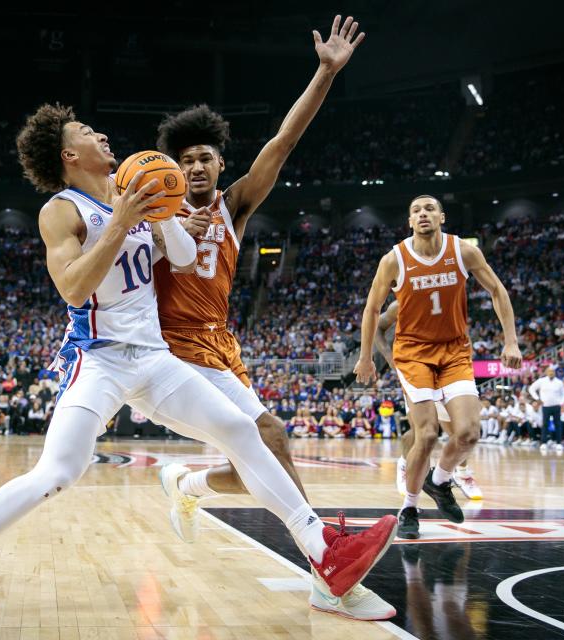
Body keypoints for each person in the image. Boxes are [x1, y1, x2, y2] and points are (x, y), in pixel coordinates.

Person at [0, 103, 397, 627]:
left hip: (154, 358)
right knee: (59, 471)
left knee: (245, 431)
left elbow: (188, 259)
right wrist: (123, 222)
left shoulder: (139, 195)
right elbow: (75, 287)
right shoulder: (61, 209)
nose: (101, 134)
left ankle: (324, 550)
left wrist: (163, 212)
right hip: (98, 360)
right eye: (86, 132)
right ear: (69, 154)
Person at [152, 16, 392, 620]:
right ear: (174, 169)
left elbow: (283, 141)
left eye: (206, 157)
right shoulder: (154, 213)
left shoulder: (235, 204)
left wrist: (324, 73)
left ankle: (190, 486)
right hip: (170, 352)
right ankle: (328, 575)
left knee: (257, 463)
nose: (198, 167)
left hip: (220, 347)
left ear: (219, 162)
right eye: (187, 160)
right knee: (274, 438)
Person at [355, 194, 521, 539]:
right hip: (413, 353)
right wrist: (366, 356)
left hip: (455, 351)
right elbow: (372, 310)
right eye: (415, 210)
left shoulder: (463, 251)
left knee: (468, 433)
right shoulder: (394, 259)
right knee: (427, 433)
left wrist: (510, 340)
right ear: (410, 222)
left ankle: (440, 480)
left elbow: (497, 290)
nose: (423, 214)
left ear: (442, 216)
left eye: (430, 208)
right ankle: (409, 508)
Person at [374, 300, 483, 504]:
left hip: (447, 367)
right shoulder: (401, 305)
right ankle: (406, 464)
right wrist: (390, 359)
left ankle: (462, 472)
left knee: (460, 431)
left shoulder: (451, 296)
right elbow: (377, 327)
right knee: (420, 433)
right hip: (416, 368)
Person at [528, 366, 564, 450]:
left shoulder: (559, 382)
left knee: (558, 424)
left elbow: (563, 394)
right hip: (546, 406)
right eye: (549, 371)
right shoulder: (542, 381)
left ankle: (558, 443)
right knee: (545, 424)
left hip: (556, 406)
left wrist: (561, 402)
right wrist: (537, 399)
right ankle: (544, 442)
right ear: (546, 372)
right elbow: (531, 389)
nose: (551, 373)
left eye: (552, 371)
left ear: (555, 373)